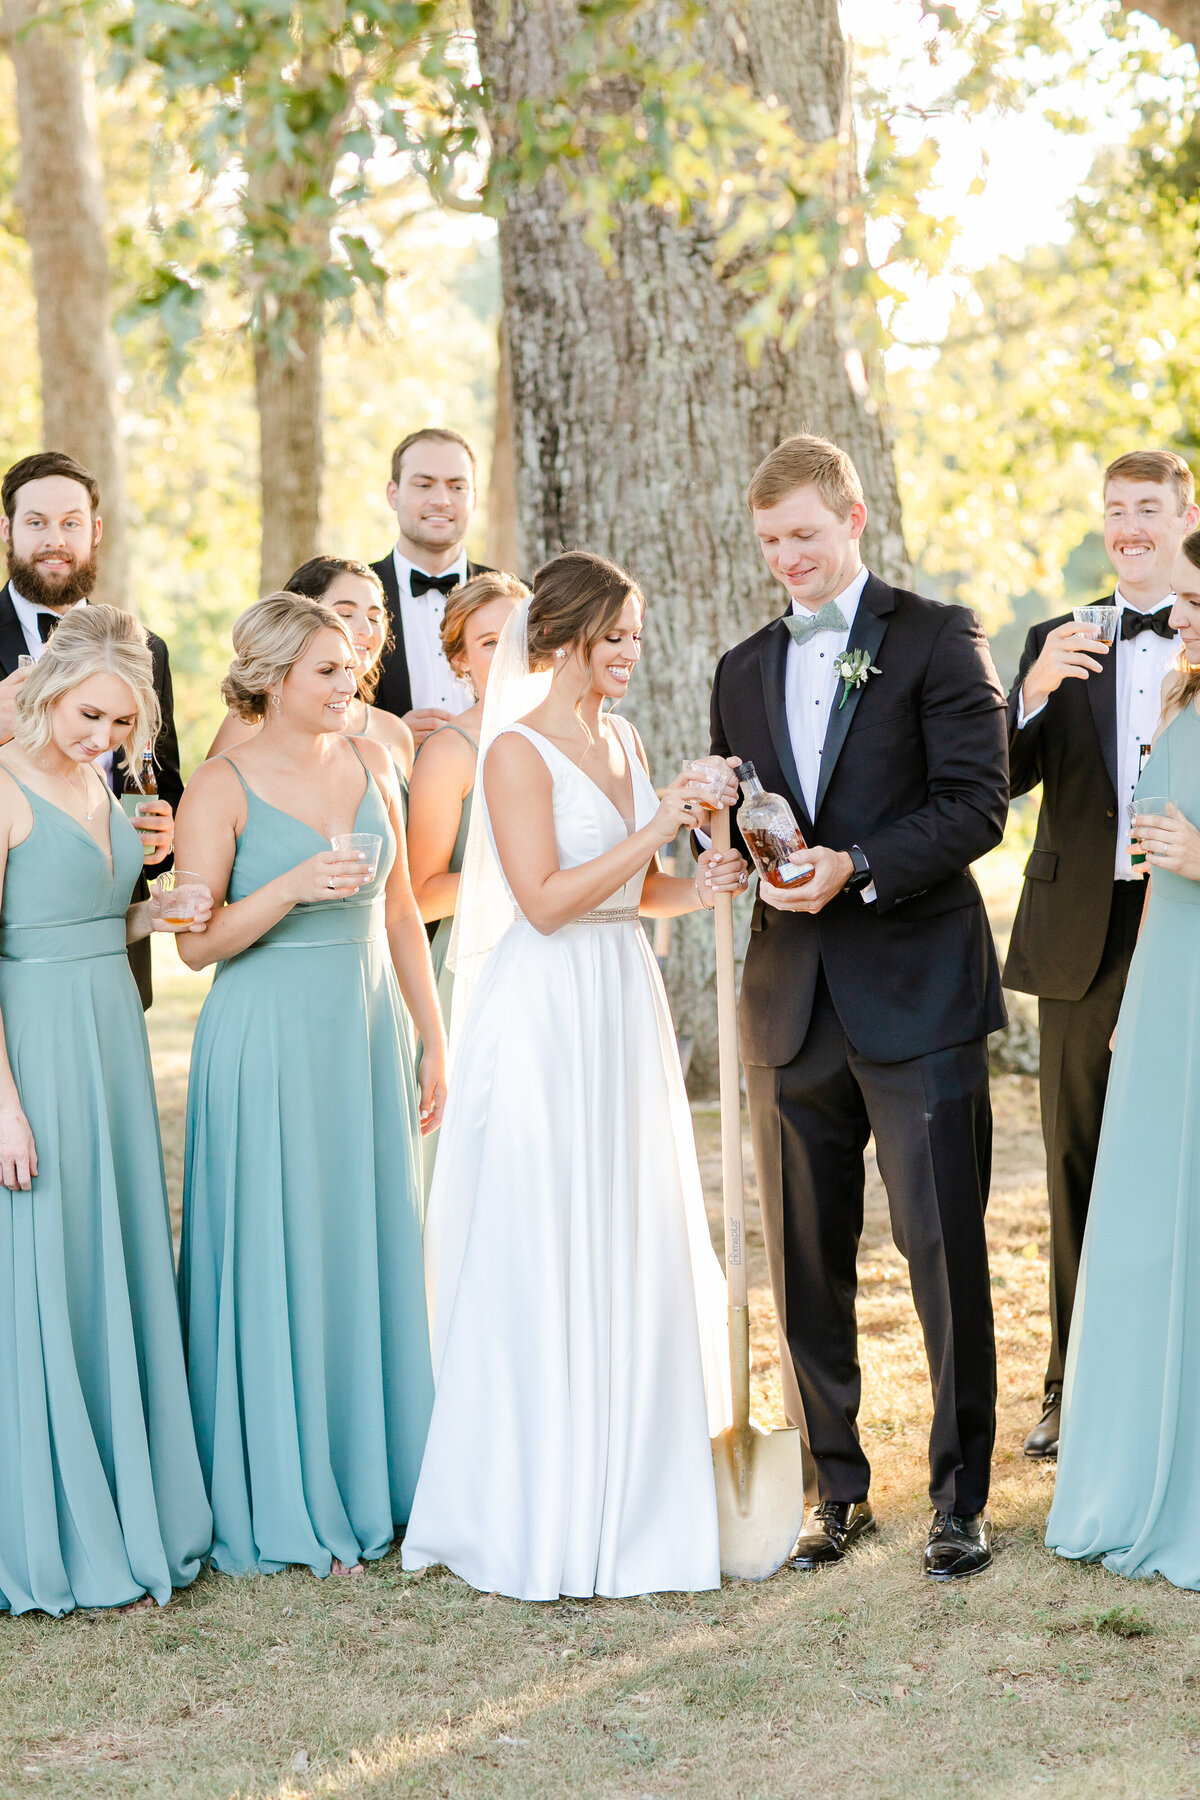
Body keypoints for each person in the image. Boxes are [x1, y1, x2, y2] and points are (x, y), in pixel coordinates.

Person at [401, 550, 746, 1602]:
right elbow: (545, 901)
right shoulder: (512, 751)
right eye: (616, 637)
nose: (631, 653)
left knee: (627, 1216)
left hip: (619, 1001)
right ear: (562, 639)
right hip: (546, 1006)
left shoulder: (624, 735)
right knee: (549, 1229)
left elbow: (634, 891)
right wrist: (656, 828)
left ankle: (640, 1481)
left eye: (637, 635)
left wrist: (699, 884)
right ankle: (537, 1496)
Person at [709, 434, 1009, 1581]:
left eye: (805, 535)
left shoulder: (938, 635)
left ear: (854, 519)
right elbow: (753, 806)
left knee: (943, 1250)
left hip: (917, 992)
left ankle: (959, 1499)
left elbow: (977, 805)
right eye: (771, 541)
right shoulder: (741, 666)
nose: (788, 557)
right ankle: (837, 1489)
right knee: (805, 1259)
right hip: (789, 1002)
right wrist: (728, 849)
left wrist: (860, 865)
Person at [174, 592, 446, 1578]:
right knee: (279, 1246)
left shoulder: (376, 760)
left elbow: (406, 911)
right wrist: (286, 887)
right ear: (272, 678)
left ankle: (383, 1475)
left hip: (365, 1029)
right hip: (268, 1039)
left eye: (352, 670)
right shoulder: (222, 786)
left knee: (362, 1243)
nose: (350, 685)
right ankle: (283, 1487)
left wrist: (432, 1037)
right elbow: (197, 948)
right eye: (327, 671)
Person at [0, 605, 213, 1616]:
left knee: (108, 1255)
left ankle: (134, 1490)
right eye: (92, 716)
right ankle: (52, 1512)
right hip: (34, 1047)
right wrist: (3, 1107)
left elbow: (91, 916)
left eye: (124, 726)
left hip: (112, 1042)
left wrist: (155, 909)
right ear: (48, 687)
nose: (106, 739)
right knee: (46, 1264)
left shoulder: (101, 784)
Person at [1005, 450, 1199, 1460]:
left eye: (1148, 510)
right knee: (1075, 1155)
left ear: (1185, 515)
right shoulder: (1057, 637)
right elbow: (992, 787)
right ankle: (1066, 1390)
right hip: (1084, 931)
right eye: (1115, 511)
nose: (1129, 529)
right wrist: (1030, 691)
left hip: (1190, 918)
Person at [1046, 529, 1200, 1586]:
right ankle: (1137, 1460)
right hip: (1168, 991)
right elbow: (1150, 876)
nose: (1181, 618)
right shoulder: (1175, 708)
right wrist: (1134, 999)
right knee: (1143, 1235)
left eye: (1195, 600)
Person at [0, 452, 182, 1008]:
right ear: (6, 529)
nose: (55, 538)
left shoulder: (146, 650)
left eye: (70, 522)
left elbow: (160, 778)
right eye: (37, 522)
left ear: (94, 531)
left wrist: (164, 834)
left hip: (117, 936)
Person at [406, 568, 528, 1153]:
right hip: (478, 967)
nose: (508, 652)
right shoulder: (450, 752)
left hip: (571, 961)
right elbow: (421, 892)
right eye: (487, 642)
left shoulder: (582, 736)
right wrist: (524, 881)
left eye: (518, 634)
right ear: (460, 662)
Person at [207, 556, 415, 788]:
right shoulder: (256, 719)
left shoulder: (396, 732)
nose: (366, 629)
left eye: (375, 617)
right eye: (345, 614)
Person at [369, 429, 494, 744]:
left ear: (474, 497)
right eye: (424, 485)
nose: (441, 500)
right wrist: (388, 735)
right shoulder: (345, 596)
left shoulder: (518, 599)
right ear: (393, 494)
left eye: (457, 486)